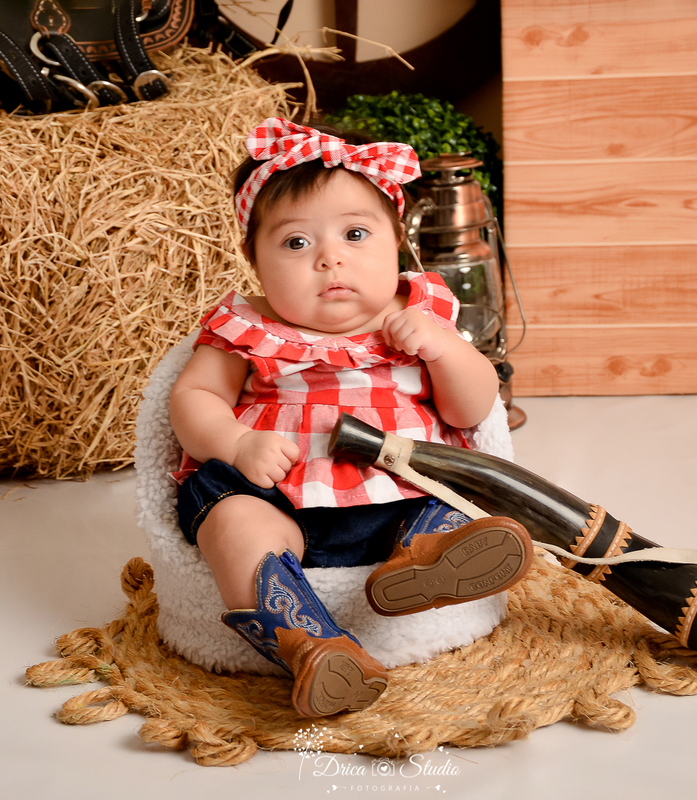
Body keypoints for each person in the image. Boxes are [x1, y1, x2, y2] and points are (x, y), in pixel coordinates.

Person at [168, 118, 531, 718]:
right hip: (277, 495)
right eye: (295, 243)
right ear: (252, 259)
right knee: (232, 519)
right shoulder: (247, 325)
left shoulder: (419, 314)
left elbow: (472, 411)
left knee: (456, 488)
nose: (329, 259)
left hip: (404, 491)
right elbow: (192, 399)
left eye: (356, 234)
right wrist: (235, 443)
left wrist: (447, 350)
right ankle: (309, 643)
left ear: (397, 243)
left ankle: (429, 563)